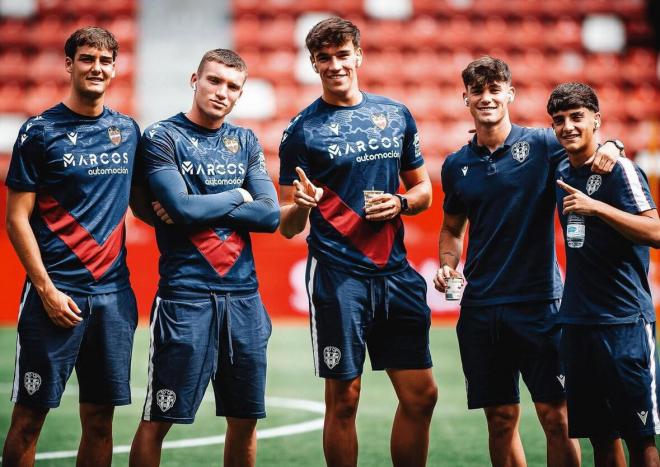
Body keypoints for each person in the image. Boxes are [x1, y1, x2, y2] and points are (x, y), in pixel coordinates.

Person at [434, 56, 622, 467]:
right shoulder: (456, 165)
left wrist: (612, 144)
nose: (486, 97)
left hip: (539, 304)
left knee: (556, 417)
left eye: (494, 89)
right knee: (500, 420)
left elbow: (586, 140)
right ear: (464, 97)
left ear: (510, 94)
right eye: (477, 91)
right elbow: (451, 229)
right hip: (481, 309)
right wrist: (448, 263)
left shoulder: (542, 144)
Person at [278, 17, 437, 467]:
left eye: (342, 55)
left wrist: (402, 204)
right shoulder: (301, 131)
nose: (334, 65)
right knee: (344, 399)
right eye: (324, 58)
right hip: (337, 275)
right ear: (313, 63)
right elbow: (288, 225)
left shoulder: (395, 114)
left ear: (358, 56)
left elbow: (423, 192)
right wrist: (304, 206)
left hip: (396, 274)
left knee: (422, 396)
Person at [2, 27, 149, 466]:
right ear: (69, 65)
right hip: (55, 293)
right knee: (29, 419)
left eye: (105, 60)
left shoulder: (127, 130)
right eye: (86, 59)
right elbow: (15, 218)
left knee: (100, 419)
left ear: (115, 67)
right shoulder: (39, 131)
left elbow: (146, 203)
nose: (96, 68)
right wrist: (45, 290)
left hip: (113, 297)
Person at [128, 49, 279, 467]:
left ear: (240, 94)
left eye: (232, 86)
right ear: (195, 79)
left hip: (244, 300)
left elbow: (269, 216)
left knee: (245, 418)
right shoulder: (162, 137)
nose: (221, 92)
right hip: (185, 297)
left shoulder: (244, 140)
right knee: (159, 417)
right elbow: (183, 210)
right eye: (214, 81)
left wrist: (193, 204)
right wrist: (237, 196)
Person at [550, 82, 660, 467]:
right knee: (600, 437)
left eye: (577, 117)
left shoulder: (622, 170)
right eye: (559, 120)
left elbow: (657, 232)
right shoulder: (560, 168)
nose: (567, 126)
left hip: (625, 320)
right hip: (578, 322)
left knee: (640, 439)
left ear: (596, 119)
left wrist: (597, 208)